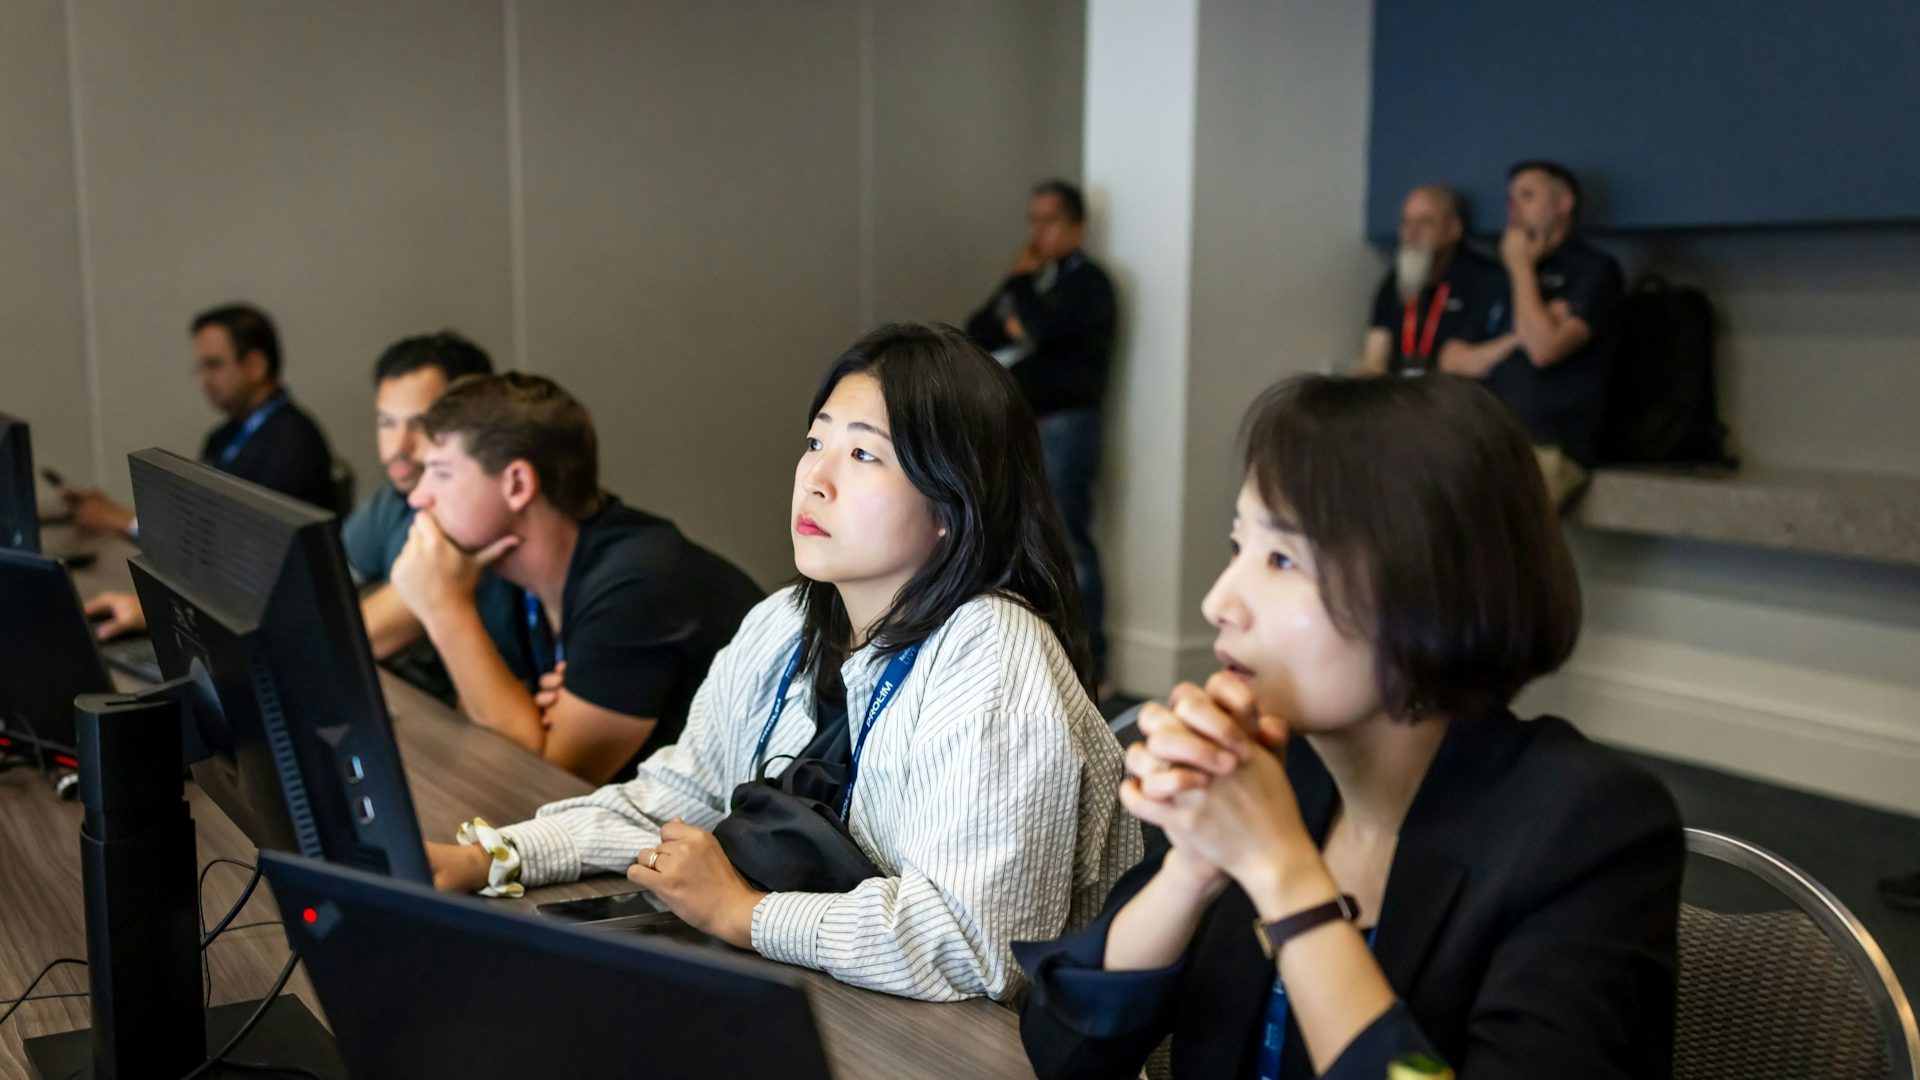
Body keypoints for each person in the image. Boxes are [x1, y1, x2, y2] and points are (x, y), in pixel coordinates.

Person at [425, 324, 1142, 1003]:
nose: (816, 479)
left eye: (864, 455)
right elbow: (676, 798)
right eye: (815, 442)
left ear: (952, 503)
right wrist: (495, 857)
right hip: (850, 999)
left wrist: (744, 913)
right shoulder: (785, 623)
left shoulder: (993, 652)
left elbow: (972, 946)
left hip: (975, 1049)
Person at [1017, 374, 1683, 1078]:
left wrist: (1281, 873)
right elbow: (1062, 1053)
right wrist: (1192, 868)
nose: (1219, 602)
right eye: (1238, 547)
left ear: (1430, 588)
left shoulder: (1588, 828)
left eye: (1282, 559)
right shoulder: (1276, 771)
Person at [388, 372, 762, 785]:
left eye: (441, 473)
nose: (418, 496)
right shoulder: (502, 568)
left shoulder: (637, 582)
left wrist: (443, 608)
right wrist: (522, 715)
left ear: (516, 484)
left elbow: (545, 780)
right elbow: (480, 718)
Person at [965, 180, 1119, 687]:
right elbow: (977, 330)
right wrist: (1019, 283)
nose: (1037, 232)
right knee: (1023, 541)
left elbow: (1044, 331)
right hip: (1025, 426)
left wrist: (1024, 297)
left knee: (1070, 543)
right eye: (1033, 220)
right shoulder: (1037, 280)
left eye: (1049, 220)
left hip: (1066, 425)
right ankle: (1046, 663)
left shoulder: (1089, 284)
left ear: (1076, 227)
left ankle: (1092, 667)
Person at [340, 332, 524, 701]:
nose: (399, 446)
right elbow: (318, 594)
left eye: (421, 423)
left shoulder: (473, 517)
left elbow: (356, 640)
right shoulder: (396, 498)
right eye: (387, 422)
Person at [1439, 161, 1625, 505]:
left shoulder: (1593, 270)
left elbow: (1542, 349)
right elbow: (1453, 360)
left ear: (1562, 204)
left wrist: (1521, 267)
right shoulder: (1498, 276)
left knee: (1494, 526)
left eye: (1527, 196)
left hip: (1550, 445)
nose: (1513, 208)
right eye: (1510, 199)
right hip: (1487, 438)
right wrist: (1516, 337)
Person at [64, 302, 335, 533]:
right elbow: (198, 523)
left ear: (255, 365)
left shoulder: (293, 444)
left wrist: (125, 522)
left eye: (214, 365)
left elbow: (239, 543)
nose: (203, 381)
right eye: (200, 367)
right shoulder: (221, 437)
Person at [1358, 186, 1505, 378]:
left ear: (1453, 229)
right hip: (1404, 393)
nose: (1412, 232)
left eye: (1425, 222)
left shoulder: (1483, 279)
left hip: (1459, 392)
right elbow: (1374, 358)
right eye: (1405, 222)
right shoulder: (1393, 282)